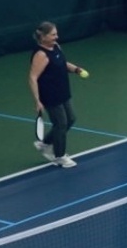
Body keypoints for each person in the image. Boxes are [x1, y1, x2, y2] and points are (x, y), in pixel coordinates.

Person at [28, 21, 86, 168]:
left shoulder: (56, 47)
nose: (56, 37)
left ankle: (45, 143)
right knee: (61, 124)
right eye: (53, 34)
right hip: (50, 95)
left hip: (63, 91)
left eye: (56, 34)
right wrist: (37, 100)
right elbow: (33, 77)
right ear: (43, 37)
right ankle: (59, 156)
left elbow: (62, 63)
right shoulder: (41, 55)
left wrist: (76, 69)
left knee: (71, 119)